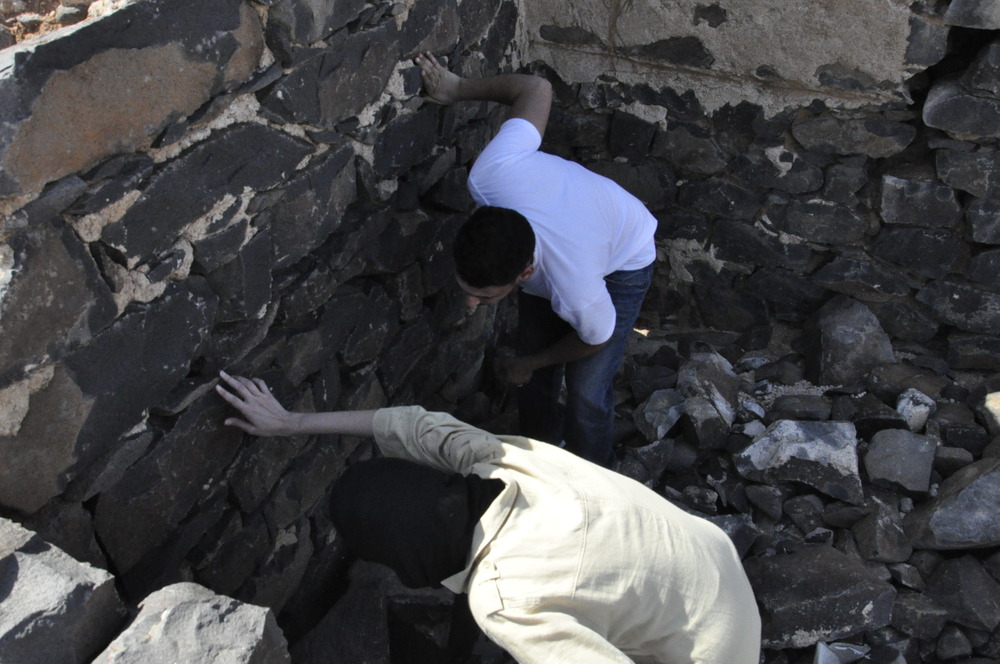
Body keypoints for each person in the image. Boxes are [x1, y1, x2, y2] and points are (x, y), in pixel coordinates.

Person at [216, 371, 762, 664]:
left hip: (716, 650)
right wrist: (292, 422)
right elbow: (413, 425)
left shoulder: (503, 600)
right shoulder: (503, 461)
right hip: (710, 555)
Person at [415, 52, 658, 468]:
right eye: (468, 292)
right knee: (533, 375)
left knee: (586, 391)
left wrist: (530, 362)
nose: (470, 305)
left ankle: (595, 480)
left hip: (624, 254)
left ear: (525, 273)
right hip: (572, 233)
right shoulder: (490, 178)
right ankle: (540, 462)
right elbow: (534, 89)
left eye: (485, 297)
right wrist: (455, 89)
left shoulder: (576, 285)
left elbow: (594, 337)